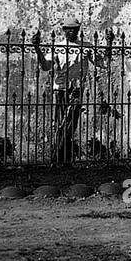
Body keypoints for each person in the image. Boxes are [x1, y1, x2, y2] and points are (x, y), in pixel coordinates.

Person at [34, 17, 101, 166]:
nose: (70, 31)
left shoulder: (86, 46)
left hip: (76, 88)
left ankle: (61, 155)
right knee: (60, 122)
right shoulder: (58, 47)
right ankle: (59, 155)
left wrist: (108, 46)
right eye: (67, 29)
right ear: (63, 30)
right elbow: (46, 66)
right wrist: (37, 49)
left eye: (73, 29)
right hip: (61, 88)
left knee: (71, 123)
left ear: (78, 30)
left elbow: (101, 63)